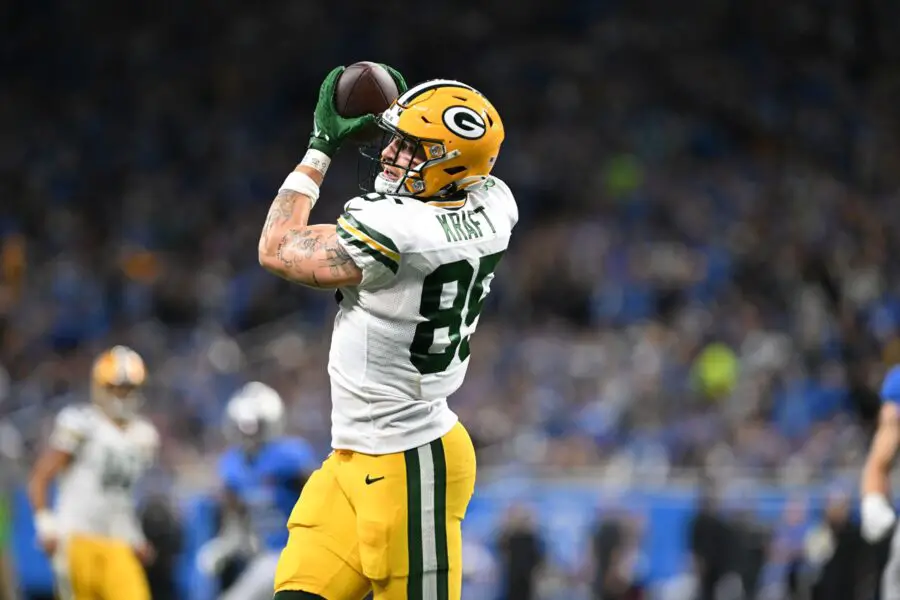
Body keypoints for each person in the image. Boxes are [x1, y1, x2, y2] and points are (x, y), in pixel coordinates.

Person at [257, 65, 515, 600]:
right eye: (396, 139)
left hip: (411, 458)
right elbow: (471, 181)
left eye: (413, 149)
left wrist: (320, 147)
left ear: (451, 167)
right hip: (354, 453)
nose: (392, 153)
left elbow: (277, 248)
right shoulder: (495, 205)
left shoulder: (398, 232)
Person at [27, 346, 159, 600]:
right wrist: (46, 525)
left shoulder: (144, 435)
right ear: (100, 387)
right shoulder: (81, 423)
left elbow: (122, 497)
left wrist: (135, 536)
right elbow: (41, 477)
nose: (122, 395)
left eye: (128, 388)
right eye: (116, 388)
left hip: (118, 542)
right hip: (77, 537)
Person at [197, 382, 317, 600]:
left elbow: (320, 498)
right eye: (243, 426)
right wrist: (226, 545)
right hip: (261, 554)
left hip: (291, 550)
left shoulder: (289, 455)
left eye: (256, 426)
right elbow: (235, 519)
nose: (249, 433)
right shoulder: (232, 463)